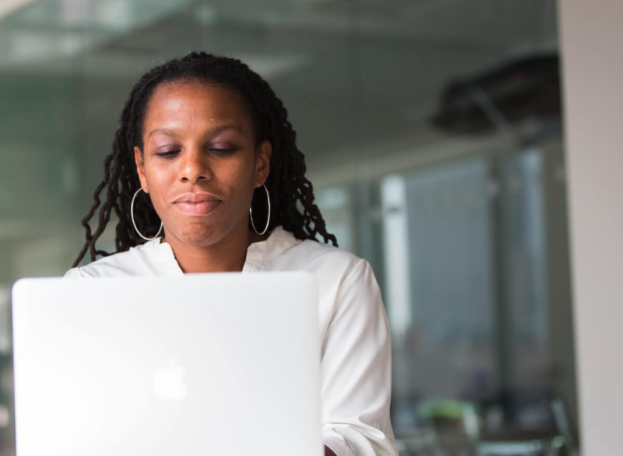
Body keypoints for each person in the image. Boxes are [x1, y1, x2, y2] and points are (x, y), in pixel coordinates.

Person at [64, 51, 398, 456]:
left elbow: (361, 442)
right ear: (142, 170)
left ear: (260, 163)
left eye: (222, 147)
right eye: (168, 151)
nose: (193, 169)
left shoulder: (334, 280)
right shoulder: (91, 292)